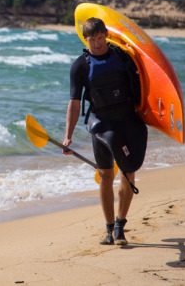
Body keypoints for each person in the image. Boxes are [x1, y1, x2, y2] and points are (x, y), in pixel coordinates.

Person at [62, 17, 147, 246]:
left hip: (126, 121)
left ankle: (120, 225)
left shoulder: (122, 56)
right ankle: (109, 229)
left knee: (128, 174)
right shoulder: (81, 65)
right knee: (106, 176)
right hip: (101, 124)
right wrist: (67, 136)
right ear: (85, 39)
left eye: (101, 38)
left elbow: (145, 80)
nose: (97, 44)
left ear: (106, 36)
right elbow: (74, 102)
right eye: (92, 40)